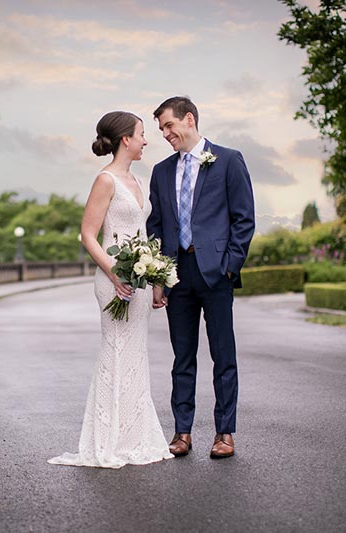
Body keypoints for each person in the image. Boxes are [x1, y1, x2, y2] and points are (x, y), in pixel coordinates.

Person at [48, 111, 174, 468]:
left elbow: (144, 236)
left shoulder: (137, 180)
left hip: (139, 280)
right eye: (141, 134)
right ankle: (107, 440)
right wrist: (116, 274)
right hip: (113, 282)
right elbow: (88, 235)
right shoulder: (105, 180)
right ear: (125, 140)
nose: (146, 141)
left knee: (135, 356)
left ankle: (133, 436)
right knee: (116, 353)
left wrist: (155, 279)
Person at [147, 96, 255, 459]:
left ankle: (224, 433)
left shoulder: (228, 160)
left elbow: (244, 219)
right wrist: (159, 275)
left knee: (223, 355)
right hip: (177, 274)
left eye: (168, 126)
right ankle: (182, 432)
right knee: (182, 357)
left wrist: (230, 266)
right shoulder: (161, 171)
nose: (164, 134)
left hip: (216, 273)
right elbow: (157, 225)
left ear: (188, 119)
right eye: (161, 129)